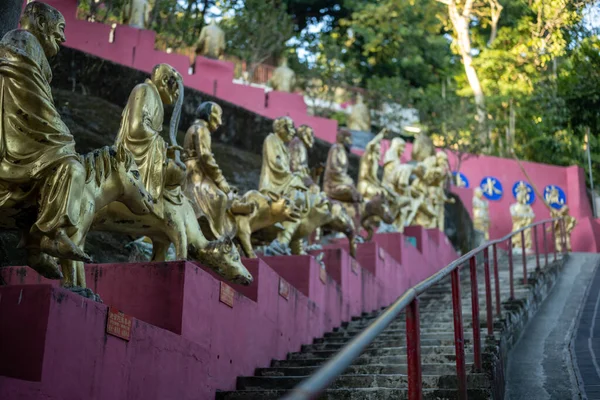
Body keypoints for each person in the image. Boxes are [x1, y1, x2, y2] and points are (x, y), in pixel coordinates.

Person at [0, 1, 91, 263]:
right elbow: (32, 105)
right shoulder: (21, 40)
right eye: (59, 29)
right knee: (72, 167)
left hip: (27, 137)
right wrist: (62, 138)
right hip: (15, 138)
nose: (63, 37)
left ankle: (34, 243)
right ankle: (49, 233)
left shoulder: (34, 52)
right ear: (41, 23)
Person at [116, 63, 186, 219]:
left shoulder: (155, 98)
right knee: (177, 172)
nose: (176, 96)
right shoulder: (144, 90)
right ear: (164, 80)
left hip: (144, 153)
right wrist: (161, 145)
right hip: (131, 156)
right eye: (175, 89)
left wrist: (166, 149)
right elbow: (136, 127)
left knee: (180, 170)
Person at [183, 102, 253, 239]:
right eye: (218, 116)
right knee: (220, 197)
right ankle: (215, 236)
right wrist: (221, 181)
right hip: (195, 174)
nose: (220, 122)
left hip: (194, 171)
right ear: (209, 115)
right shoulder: (201, 129)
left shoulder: (195, 127)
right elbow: (205, 157)